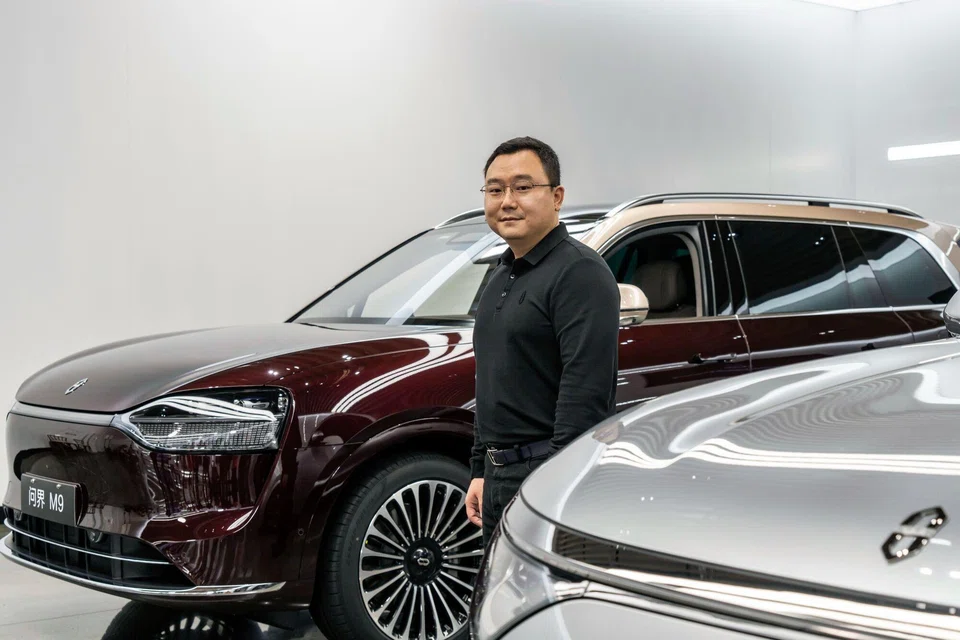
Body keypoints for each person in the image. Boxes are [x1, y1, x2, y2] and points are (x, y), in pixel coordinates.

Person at [464, 136, 621, 547]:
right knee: (500, 597)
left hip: (545, 472)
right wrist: (481, 468)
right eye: (495, 189)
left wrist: (555, 484)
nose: (507, 200)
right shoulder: (501, 273)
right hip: (500, 475)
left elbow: (584, 393)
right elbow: (492, 380)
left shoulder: (581, 274)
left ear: (556, 196)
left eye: (522, 186)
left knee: (542, 600)